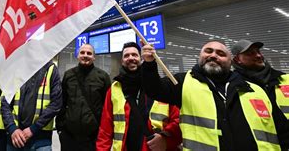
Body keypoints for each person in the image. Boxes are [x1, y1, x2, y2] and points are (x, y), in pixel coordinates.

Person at [141, 41, 289, 150]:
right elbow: (154, 90)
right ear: (200, 56)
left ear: (231, 61)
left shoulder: (254, 89)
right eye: (208, 51)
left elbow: (281, 130)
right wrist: (149, 64)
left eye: (220, 53)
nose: (213, 55)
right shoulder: (183, 82)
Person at [96, 42, 182, 151]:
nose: (130, 58)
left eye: (134, 55)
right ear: (122, 61)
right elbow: (105, 128)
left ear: (141, 59)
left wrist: (165, 139)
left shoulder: (159, 87)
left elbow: (179, 120)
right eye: (126, 56)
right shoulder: (114, 89)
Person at [57, 44, 111, 151]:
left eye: (89, 53)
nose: (85, 55)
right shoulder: (69, 75)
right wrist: (60, 128)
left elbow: (108, 107)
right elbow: (62, 102)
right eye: (82, 53)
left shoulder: (103, 77)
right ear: (78, 55)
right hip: (69, 137)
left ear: (94, 57)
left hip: (93, 138)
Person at [1, 61, 62, 151]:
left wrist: (33, 128)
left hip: (40, 139)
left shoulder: (50, 69)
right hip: (15, 137)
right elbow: (5, 102)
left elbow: (56, 103)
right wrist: (12, 128)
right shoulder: (16, 69)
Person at [232, 39, 289, 120]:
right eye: (251, 53)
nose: (258, 56)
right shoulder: (235, 85)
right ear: (237, 59)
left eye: (258, 52)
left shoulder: (283, 78)